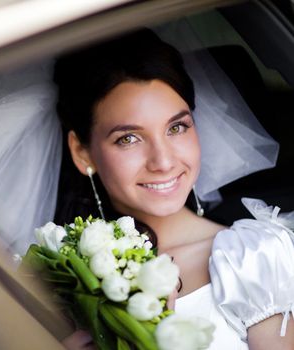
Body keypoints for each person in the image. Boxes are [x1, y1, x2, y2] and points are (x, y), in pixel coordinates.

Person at [53, 29, 294, 349]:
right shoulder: (57, 279)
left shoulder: (252, 256)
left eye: (176, 127)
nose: (163, 161)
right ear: (82, 152)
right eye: (129, 138)